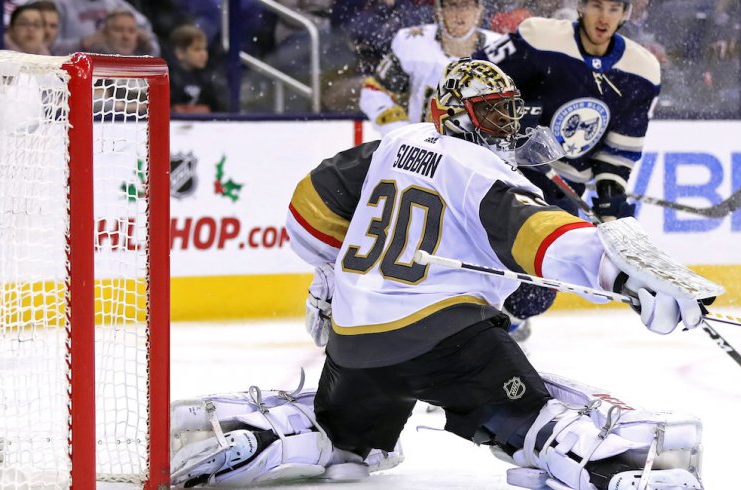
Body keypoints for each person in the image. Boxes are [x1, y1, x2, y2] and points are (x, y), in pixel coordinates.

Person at [169, 58, 706, 490]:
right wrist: (623, 277)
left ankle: (266, 434)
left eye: (507, 112)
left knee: (347, 438)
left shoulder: (395, 143)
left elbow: (309, 209)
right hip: (446, 342)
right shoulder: (480, 169)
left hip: (354, 345)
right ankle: (610, 461)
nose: (504, 125)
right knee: (533, 418)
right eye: (490, 114)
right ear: (452, 114)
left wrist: (334, 277)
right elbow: (536, 234)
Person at [471, 0, 661, 339]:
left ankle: (503, 332)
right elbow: (473, 78)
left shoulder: (641, 70)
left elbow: (617, 151)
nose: (604, 17)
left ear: (625, 14)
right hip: (499, 171)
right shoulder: (539, 38)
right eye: (597, 6)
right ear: (581, 7)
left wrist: (609, 196)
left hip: (559, 188)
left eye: (614, 9)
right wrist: (511, 117)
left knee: (539, 288)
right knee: (481, 256)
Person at [359, 0, 501, 136]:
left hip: (477, 154)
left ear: (479, 11)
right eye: (452, 5)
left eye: (466, 5)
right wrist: (398, 130)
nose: (459, 13)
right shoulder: (414, 42)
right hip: (419, 151)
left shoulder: (501, 50)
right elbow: (375, 91)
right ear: (439, 11)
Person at [169, 24, 225, 113]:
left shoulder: (210, 78)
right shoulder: (167, 78)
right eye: (197, 49)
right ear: (180, 53)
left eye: (205, 49)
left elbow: (219, 109)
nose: (204, 54)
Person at [88, 10, 152, 55]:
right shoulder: (90, 61)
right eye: (119, 30)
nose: (126, 36)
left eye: (131, 31)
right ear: (105, 33)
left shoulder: (146, 63)